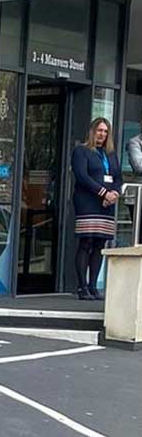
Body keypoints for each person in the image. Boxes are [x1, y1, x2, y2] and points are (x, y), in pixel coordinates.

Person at [71, 117, 119, 301]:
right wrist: (103, 192)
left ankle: (93, 286)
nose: (102, 134)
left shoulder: (111, 155)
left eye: (106, 131)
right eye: (99, 130)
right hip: (87, 202)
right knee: (87, 242)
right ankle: (82, 287)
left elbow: (117, 178)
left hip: (106, 205)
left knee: (100, 244)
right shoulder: (81, 151)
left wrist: (114, 194)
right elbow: (82, 176)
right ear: (93, 131)